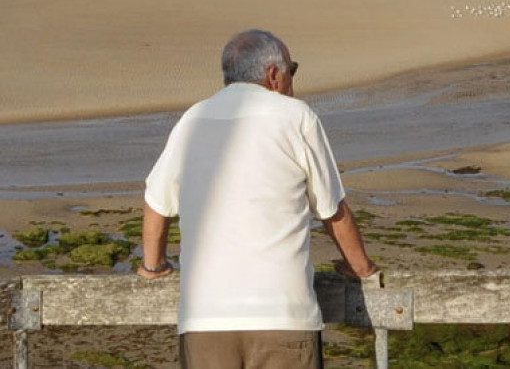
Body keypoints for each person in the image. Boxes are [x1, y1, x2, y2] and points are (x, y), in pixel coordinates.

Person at [138, 29, 377, 369]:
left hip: (205, 318)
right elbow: (333, 210)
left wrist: (153, 266)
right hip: (283, 315)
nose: (292, 80)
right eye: (291, 70)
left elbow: (156, 204)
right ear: (273, 75)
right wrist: (361, 268)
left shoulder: (192, 119)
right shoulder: (296, 117)